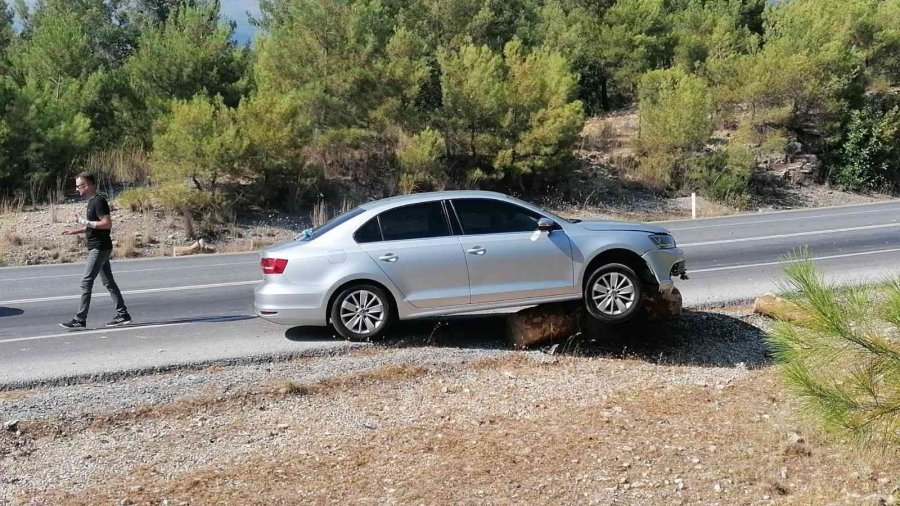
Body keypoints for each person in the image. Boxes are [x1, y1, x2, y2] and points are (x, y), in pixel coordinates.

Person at [60, 172, 132, 329]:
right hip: (100, 246)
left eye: (79, 186)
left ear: (88, 185)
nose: (77, 189)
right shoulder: (92, 202)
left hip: (99, 247)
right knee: (108, 283)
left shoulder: (98, 201)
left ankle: (80, 318)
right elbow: (94, 225)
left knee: (86, 282)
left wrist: (84, 221)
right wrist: (76, 230)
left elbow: (106, 224)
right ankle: (123, 314)